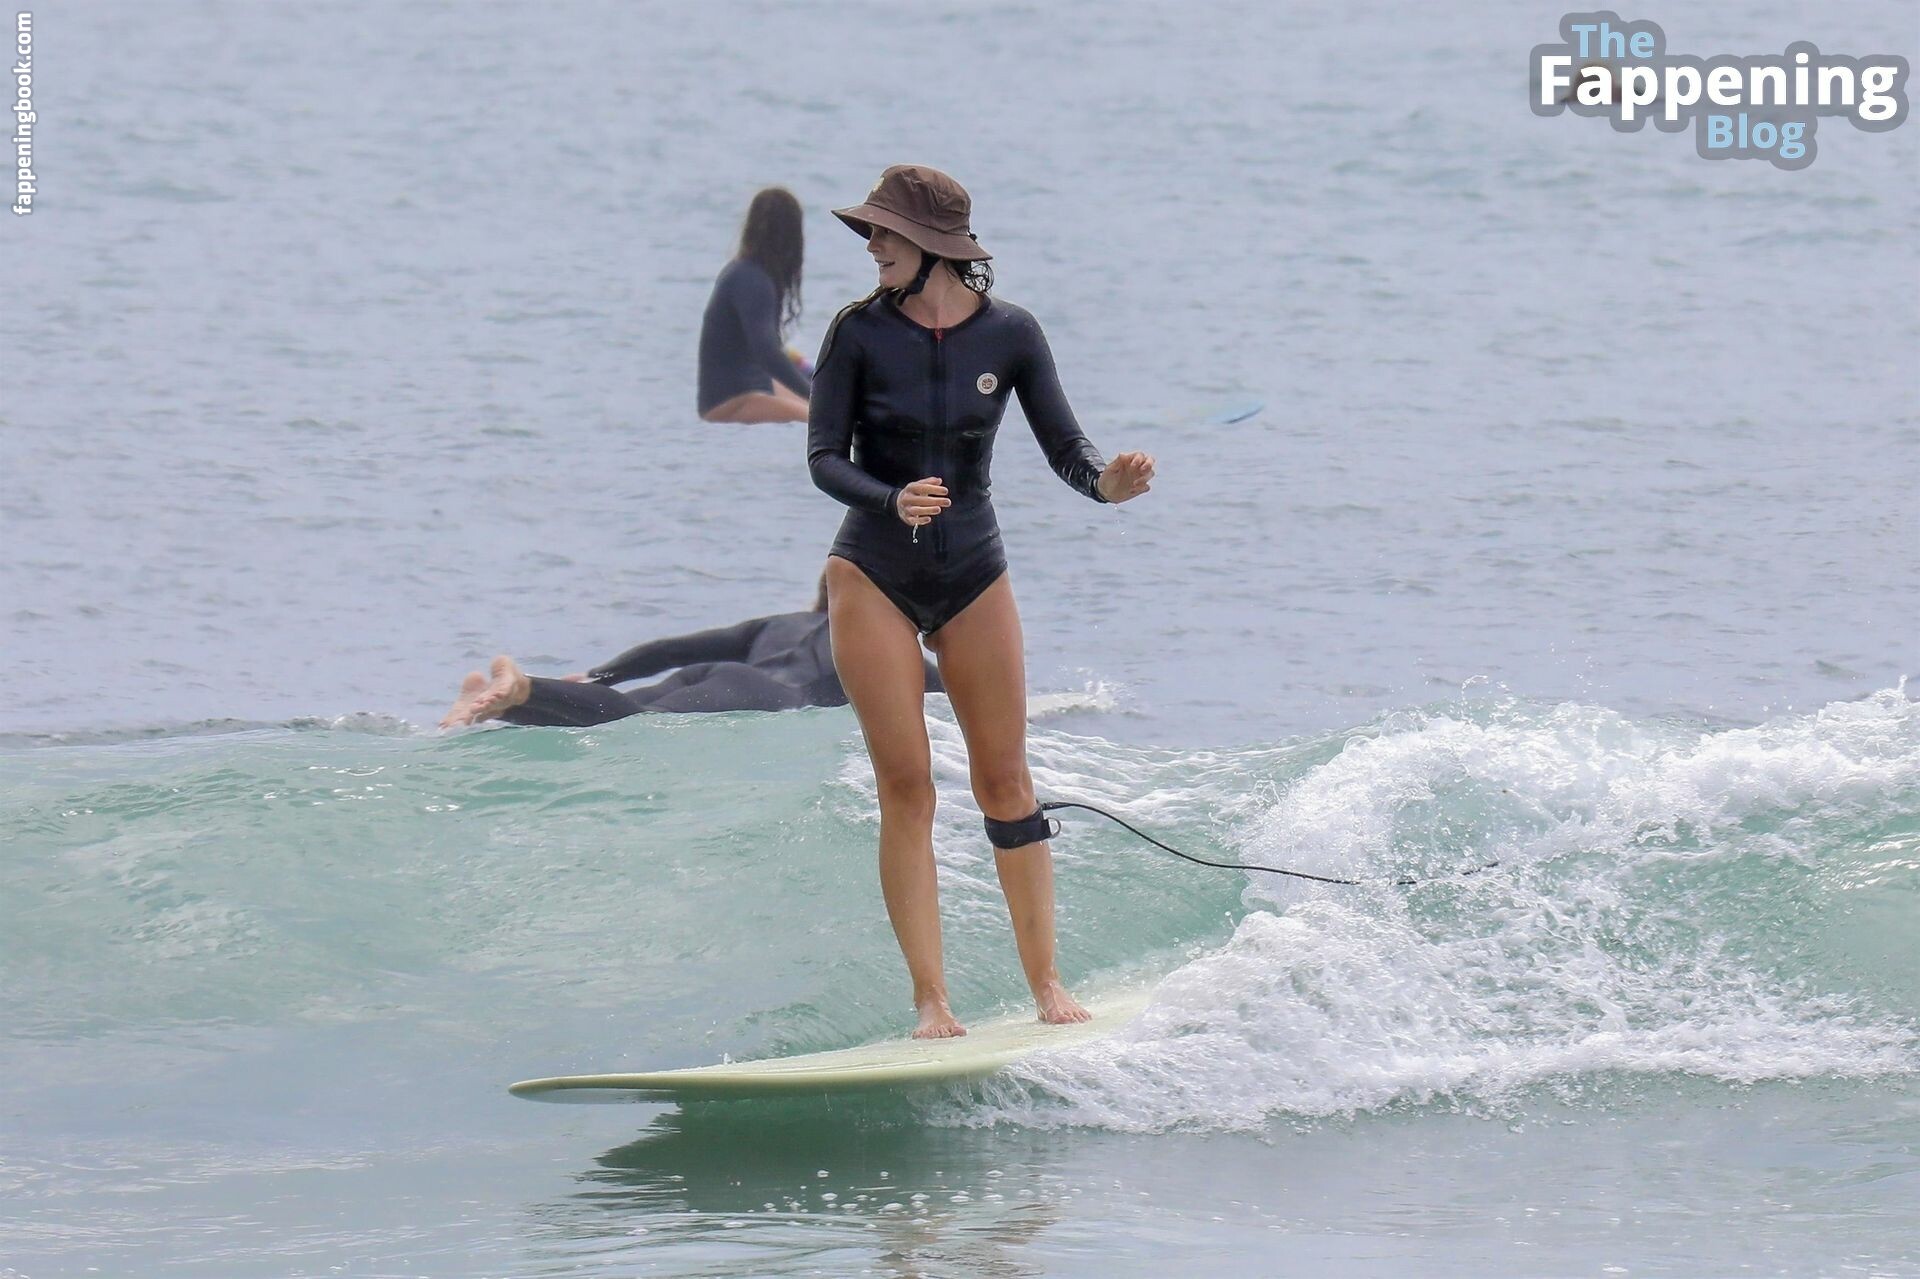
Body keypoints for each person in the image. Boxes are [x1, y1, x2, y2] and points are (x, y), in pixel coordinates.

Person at [806, 165, 1156, 1039]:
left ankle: (1047, 984)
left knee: (1006, 780)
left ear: (935, 247)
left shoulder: (1012, 334)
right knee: (908, 785)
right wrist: (890, 497)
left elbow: (1067, 447)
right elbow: (823, 458)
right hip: (872, 573)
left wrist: (1106, 485)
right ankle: (932, 998)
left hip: (973, 571)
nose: (871, 245)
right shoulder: (857, 332)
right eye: (871, 230)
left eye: (885, 231)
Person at [439, 573, 943, 728]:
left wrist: (599, 676)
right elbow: (963, 700)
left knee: (622, 712)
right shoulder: (892, 655)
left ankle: (500, 704)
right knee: (636, 724)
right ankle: (523, 689)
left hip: (710, 673)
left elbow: (670, 650)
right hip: (763, 693)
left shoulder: (778, 624)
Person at [698, 186, 813, 424]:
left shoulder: (748, 273)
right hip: (733, 404)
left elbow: (774, 352)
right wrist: (816, 397)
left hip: (752, 392)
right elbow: (767, 352)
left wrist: (819, 381)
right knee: (827, 421)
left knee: (840, 412)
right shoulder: (752, 280)